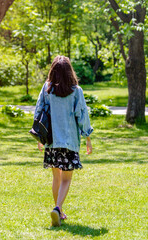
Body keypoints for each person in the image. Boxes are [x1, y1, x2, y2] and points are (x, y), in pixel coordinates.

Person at [33, 55, 93, 227]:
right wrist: (88, 137)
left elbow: (38, 112)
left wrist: (39, 138)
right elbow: (82, 115)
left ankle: (58, 210)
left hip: (51, 142)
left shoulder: (46, 89)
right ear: (69, 72)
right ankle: (58, 208)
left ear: (52, 71)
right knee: (66, 178)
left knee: (56, 177)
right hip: (69, 143)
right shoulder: (76, 91)